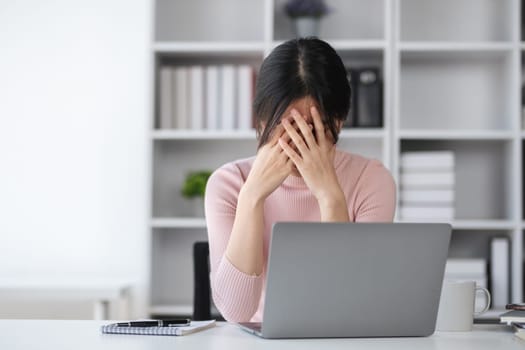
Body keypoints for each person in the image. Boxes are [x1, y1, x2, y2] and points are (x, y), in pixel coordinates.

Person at [204, 38, 396, 323]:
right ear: (260, 122)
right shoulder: (228, 183)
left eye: (311, 129)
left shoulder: (372, 180)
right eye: (286, 127)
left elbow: (350, 302)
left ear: (339, 121)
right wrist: (252, 196)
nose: (298, 144)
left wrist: (330, 197)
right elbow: (236, 312)